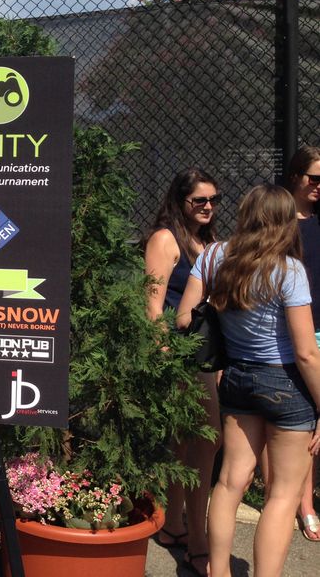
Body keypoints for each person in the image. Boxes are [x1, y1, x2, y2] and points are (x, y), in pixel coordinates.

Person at [178, 184, 320, 577]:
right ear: (285, 221)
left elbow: (185, 318)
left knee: (229, 482)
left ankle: (218, 571)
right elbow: (306, 352)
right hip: (286, 383)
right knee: (282, 495)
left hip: (236, 377)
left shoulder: (214, 255)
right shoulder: (288, 269)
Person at [144, 168, 221, 573]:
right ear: (180, 200)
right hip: (180, 355)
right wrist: (164, 357)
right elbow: (153, 306)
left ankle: (174, 525)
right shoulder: (165, 239)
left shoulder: (208, 241)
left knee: (185, 443)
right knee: (207, 440)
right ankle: (197, 540)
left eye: (214, 200)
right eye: (199, 200)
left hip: (206, 353)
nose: (208, 207)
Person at [279, 146, 320, 541]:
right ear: (295, 177)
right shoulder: (279, 222)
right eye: (314, 178)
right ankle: (303, 503)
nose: (319, 186)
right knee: (306, 416)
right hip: (296, 330)